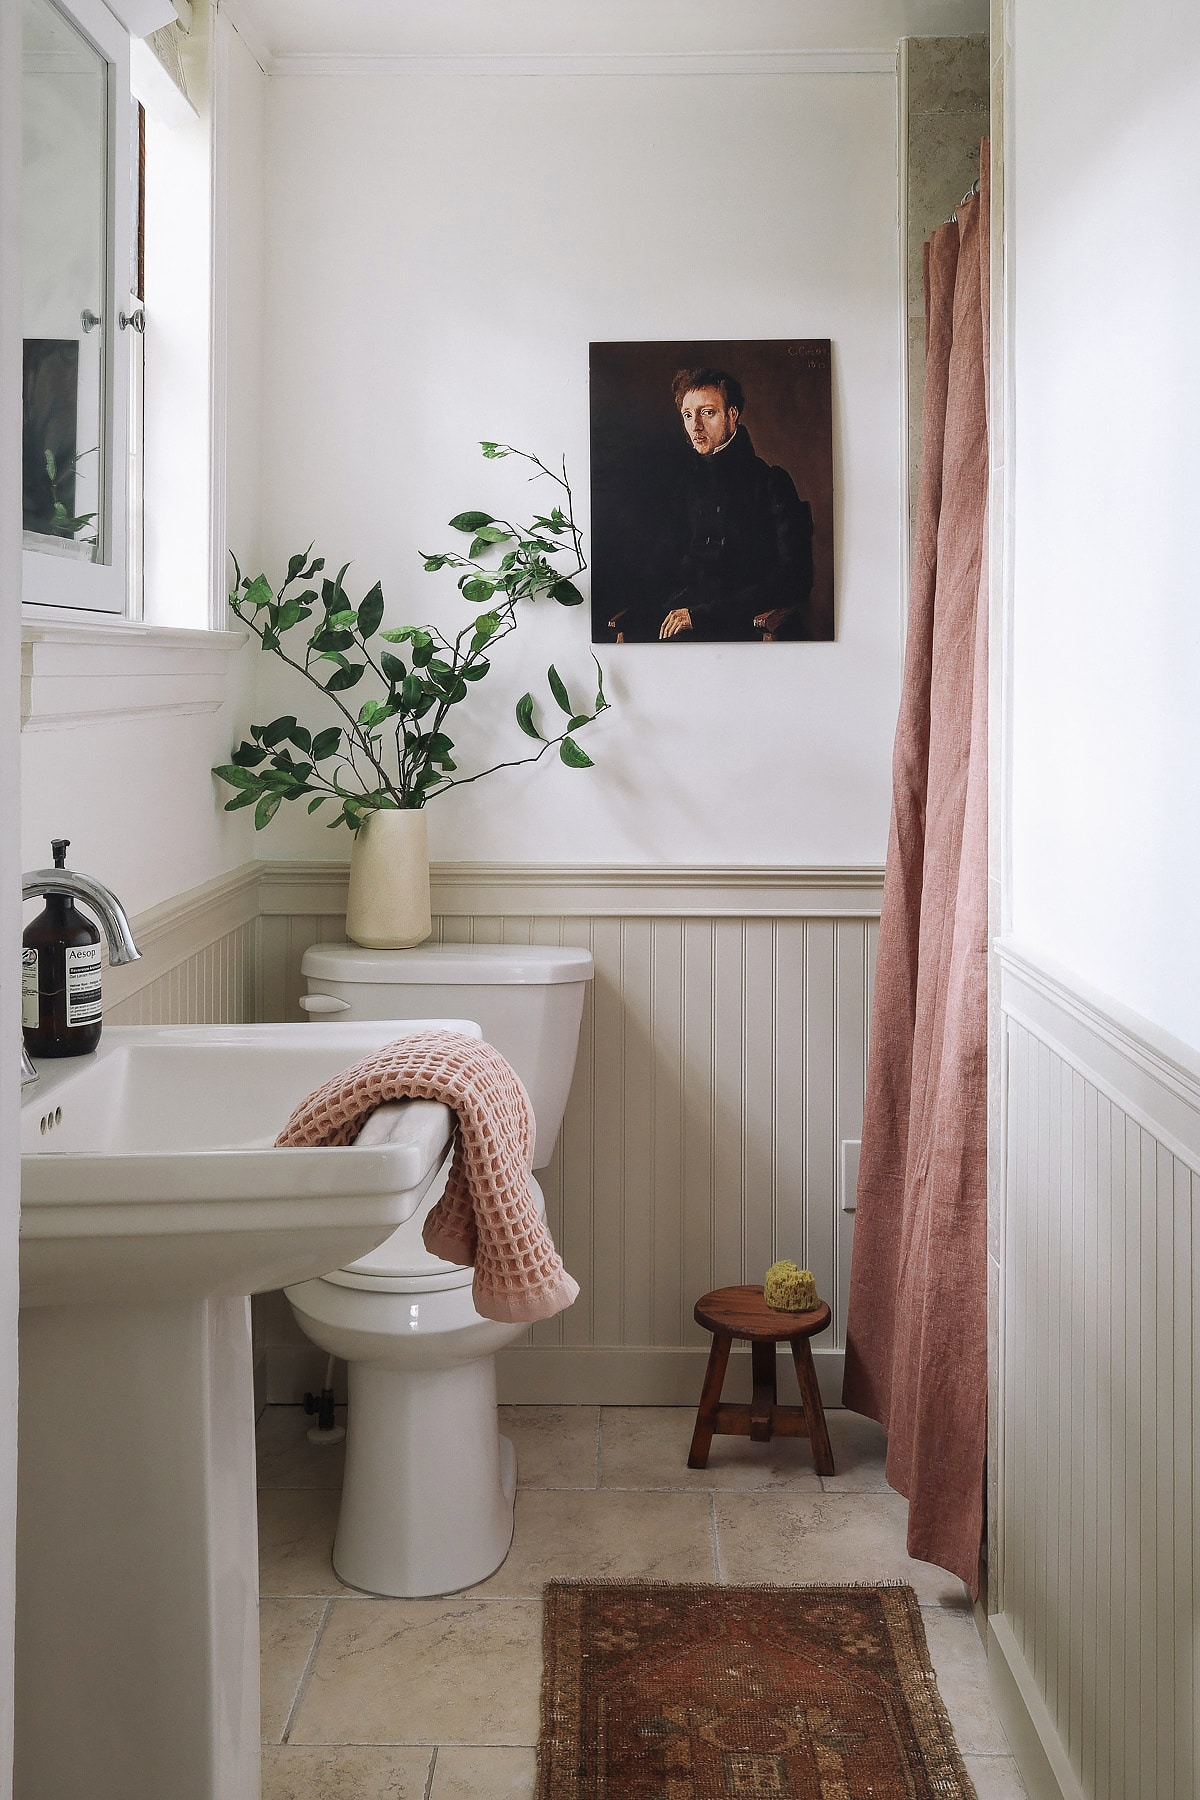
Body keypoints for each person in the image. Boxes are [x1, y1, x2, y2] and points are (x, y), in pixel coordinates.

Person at [653, 368, 814, 642]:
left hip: (744, 628)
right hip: (678, 623)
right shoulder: (685, 486)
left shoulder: (771, 482)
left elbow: (795, 578)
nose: (695, 427)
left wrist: (702, 615)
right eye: (688, 415)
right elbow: (662, 565)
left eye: (707, 413)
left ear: (732, 415)